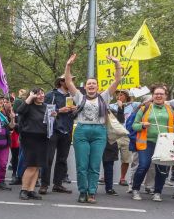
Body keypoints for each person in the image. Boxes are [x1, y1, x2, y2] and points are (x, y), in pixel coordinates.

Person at [64, 53, 123, 204]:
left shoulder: (104, 97)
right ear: (85, 86)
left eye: (93, 84)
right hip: (82, 131)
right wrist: (68, 65)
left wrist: (117, 63)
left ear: (97, 86)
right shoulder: (79, 97)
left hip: (99, 132)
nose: (91, 85)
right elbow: (68, 81)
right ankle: (82, 192)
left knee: (95, 165)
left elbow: (117, 80)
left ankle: (92, 192)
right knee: (82, 164)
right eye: (89, 84)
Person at [130, 84, 174, 202]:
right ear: (152, 95)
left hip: (164, 144)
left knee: (162, 169)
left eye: (161, 94)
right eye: (156, 94)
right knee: (143, 166)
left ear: (165, 96)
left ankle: (157, 192)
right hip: (146, 143)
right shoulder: (144, 108)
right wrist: (142, 125)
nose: (159, 96)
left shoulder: (171, 109)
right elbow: (134, 125)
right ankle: (135, 189)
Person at [39, 77, 75, 195]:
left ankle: (58, 184)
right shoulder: (51, 95)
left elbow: (76, 114)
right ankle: (44, 184)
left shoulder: (73, 96)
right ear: (61, 82)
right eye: (68, 80)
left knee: (62, 159)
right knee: (48, 158)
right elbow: (43, 111)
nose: (71, 82)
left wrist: (75, 109)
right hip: (53, 130)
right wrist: (60, 110)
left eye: (72, 80)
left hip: (67, 130)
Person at [15, 88, 52, 201]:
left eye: (42, 93)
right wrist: (30, 97)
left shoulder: (47, 107)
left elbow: (50, 122)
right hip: (30, 138)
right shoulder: (28, 106)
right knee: (31, 165)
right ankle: (24, 189)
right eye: (38, 94)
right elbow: (20, 111)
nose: (41, 96)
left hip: (43, 138)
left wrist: (55, 115)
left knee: (37, 166)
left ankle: (31, 190)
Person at [109, 91, 133, 186]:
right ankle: (106, 176)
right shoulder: (111, 106)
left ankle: (122, 178)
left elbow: (145, 102)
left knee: (126, 159)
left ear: (126, 96)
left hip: (126, 135)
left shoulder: (132, 106)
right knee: (109, 157)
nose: (119, 96)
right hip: (114, 134)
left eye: (121, 95)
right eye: (117, 94)